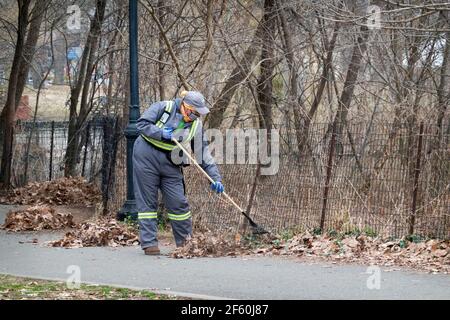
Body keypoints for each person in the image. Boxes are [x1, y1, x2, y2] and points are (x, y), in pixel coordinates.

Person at [133, 90, 224, 255]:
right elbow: (141, 124)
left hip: (171, 162)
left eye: (199, 114)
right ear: (185, 107)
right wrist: (161, 133)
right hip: (146, 156)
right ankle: (149, 244)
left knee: (179, 201)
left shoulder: (196, 126)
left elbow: (203, 153)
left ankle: (185, 243)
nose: (196, 117)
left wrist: (215, 178)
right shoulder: (163, 107)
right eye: (195, 113)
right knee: (148, 201)